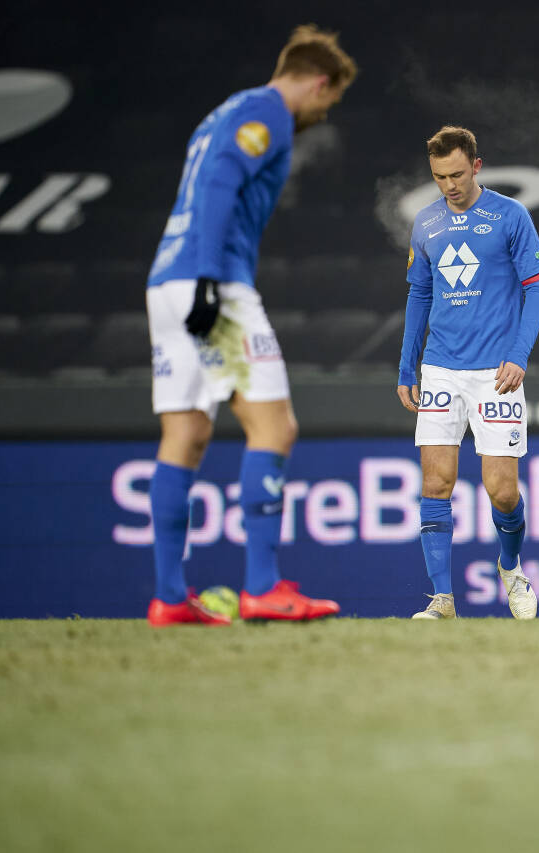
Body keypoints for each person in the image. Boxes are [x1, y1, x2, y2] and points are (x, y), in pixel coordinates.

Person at [143, 25, 357, 626]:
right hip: (213, 280)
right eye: (329, 99)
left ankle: (168, 598)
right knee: (275, 426)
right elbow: (219, 184)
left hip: (166, 278)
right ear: (319, 82)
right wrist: (212, 278)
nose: (324, 111)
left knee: (184, 434)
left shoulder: (225, 111)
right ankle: (262, 586)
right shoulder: (268, 113)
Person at [397, 126, 539, 620]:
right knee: (435, 483)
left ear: (477, 167)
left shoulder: (510, 215)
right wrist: (407, 366)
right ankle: (442, 600)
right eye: (440, 177)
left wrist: (519, 354)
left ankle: (511, 568)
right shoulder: (425, 224)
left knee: (502, 490)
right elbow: (419, 295)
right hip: (440, 367)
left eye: (457, 174)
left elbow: (538, 288)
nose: (449, 185)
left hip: (496, 373)